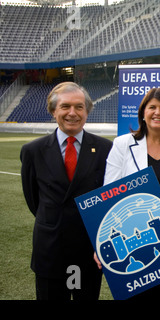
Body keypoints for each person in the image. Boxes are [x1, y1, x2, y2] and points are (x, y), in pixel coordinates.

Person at [20, 82, 113, 300]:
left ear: (87, 111)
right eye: (65, 107)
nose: (73, 113)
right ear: (53, 111)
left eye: (79, 107)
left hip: (88, 251)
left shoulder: (105, 149)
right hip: (50, 250)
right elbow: (33, 199)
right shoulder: (33, 151)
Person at [100, 87, 160, 300]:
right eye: (152, 107)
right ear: (143, 113)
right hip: (132, 239)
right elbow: (109, 191)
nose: (157, 112)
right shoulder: (122, 144)